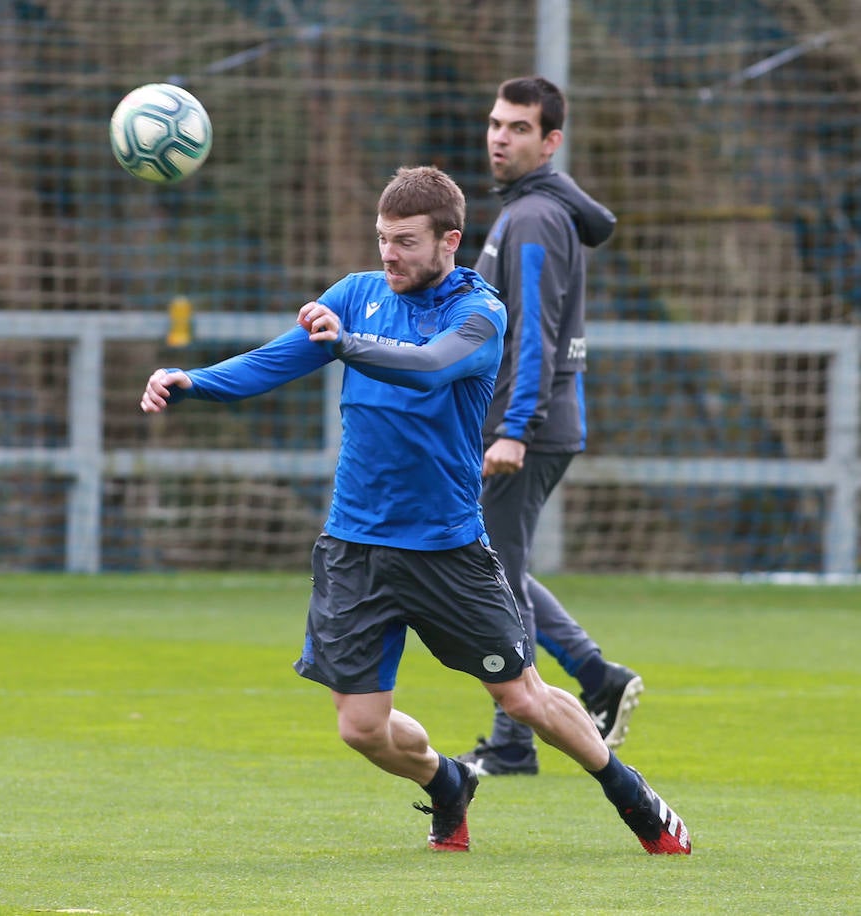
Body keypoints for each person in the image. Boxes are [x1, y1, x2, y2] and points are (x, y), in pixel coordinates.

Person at [139, 165, 691, 855]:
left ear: (448, 241)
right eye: (382, 238)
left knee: (522, 698)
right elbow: (277, 360)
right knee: (361, 728)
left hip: (446, 550)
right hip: (355, 547)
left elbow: (429, 365)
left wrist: (345, 343)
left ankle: (630, 793)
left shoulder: (480, 314)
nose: (389, 254)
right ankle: (447, 781)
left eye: (404, 241)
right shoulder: (357, 294)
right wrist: (192, 381)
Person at [459, 76, 644, 778]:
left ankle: (513, 739)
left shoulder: (534, 219)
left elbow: (534, 334)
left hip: (526, 430)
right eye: (495, 123)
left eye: (518, 128)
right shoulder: (526, 210)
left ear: (550, 142)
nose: (500, 138)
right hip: (526, 423)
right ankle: (597, 677)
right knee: (494, 561)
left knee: (495, 572)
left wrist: (514, 428)